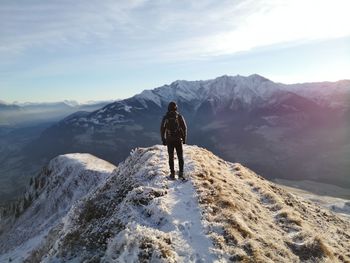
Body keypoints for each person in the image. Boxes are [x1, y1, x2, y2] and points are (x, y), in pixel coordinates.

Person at [160, 101, 187, 180]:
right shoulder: (179, 116)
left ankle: (172, 173)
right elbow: (184, 128)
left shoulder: (166, 117)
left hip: (169, 140)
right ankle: (181, 173)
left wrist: (163, 139)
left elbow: (162, 129)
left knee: (171, 157)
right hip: (178, 140)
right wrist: (184, 139)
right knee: (180, 156)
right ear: (176, 108)